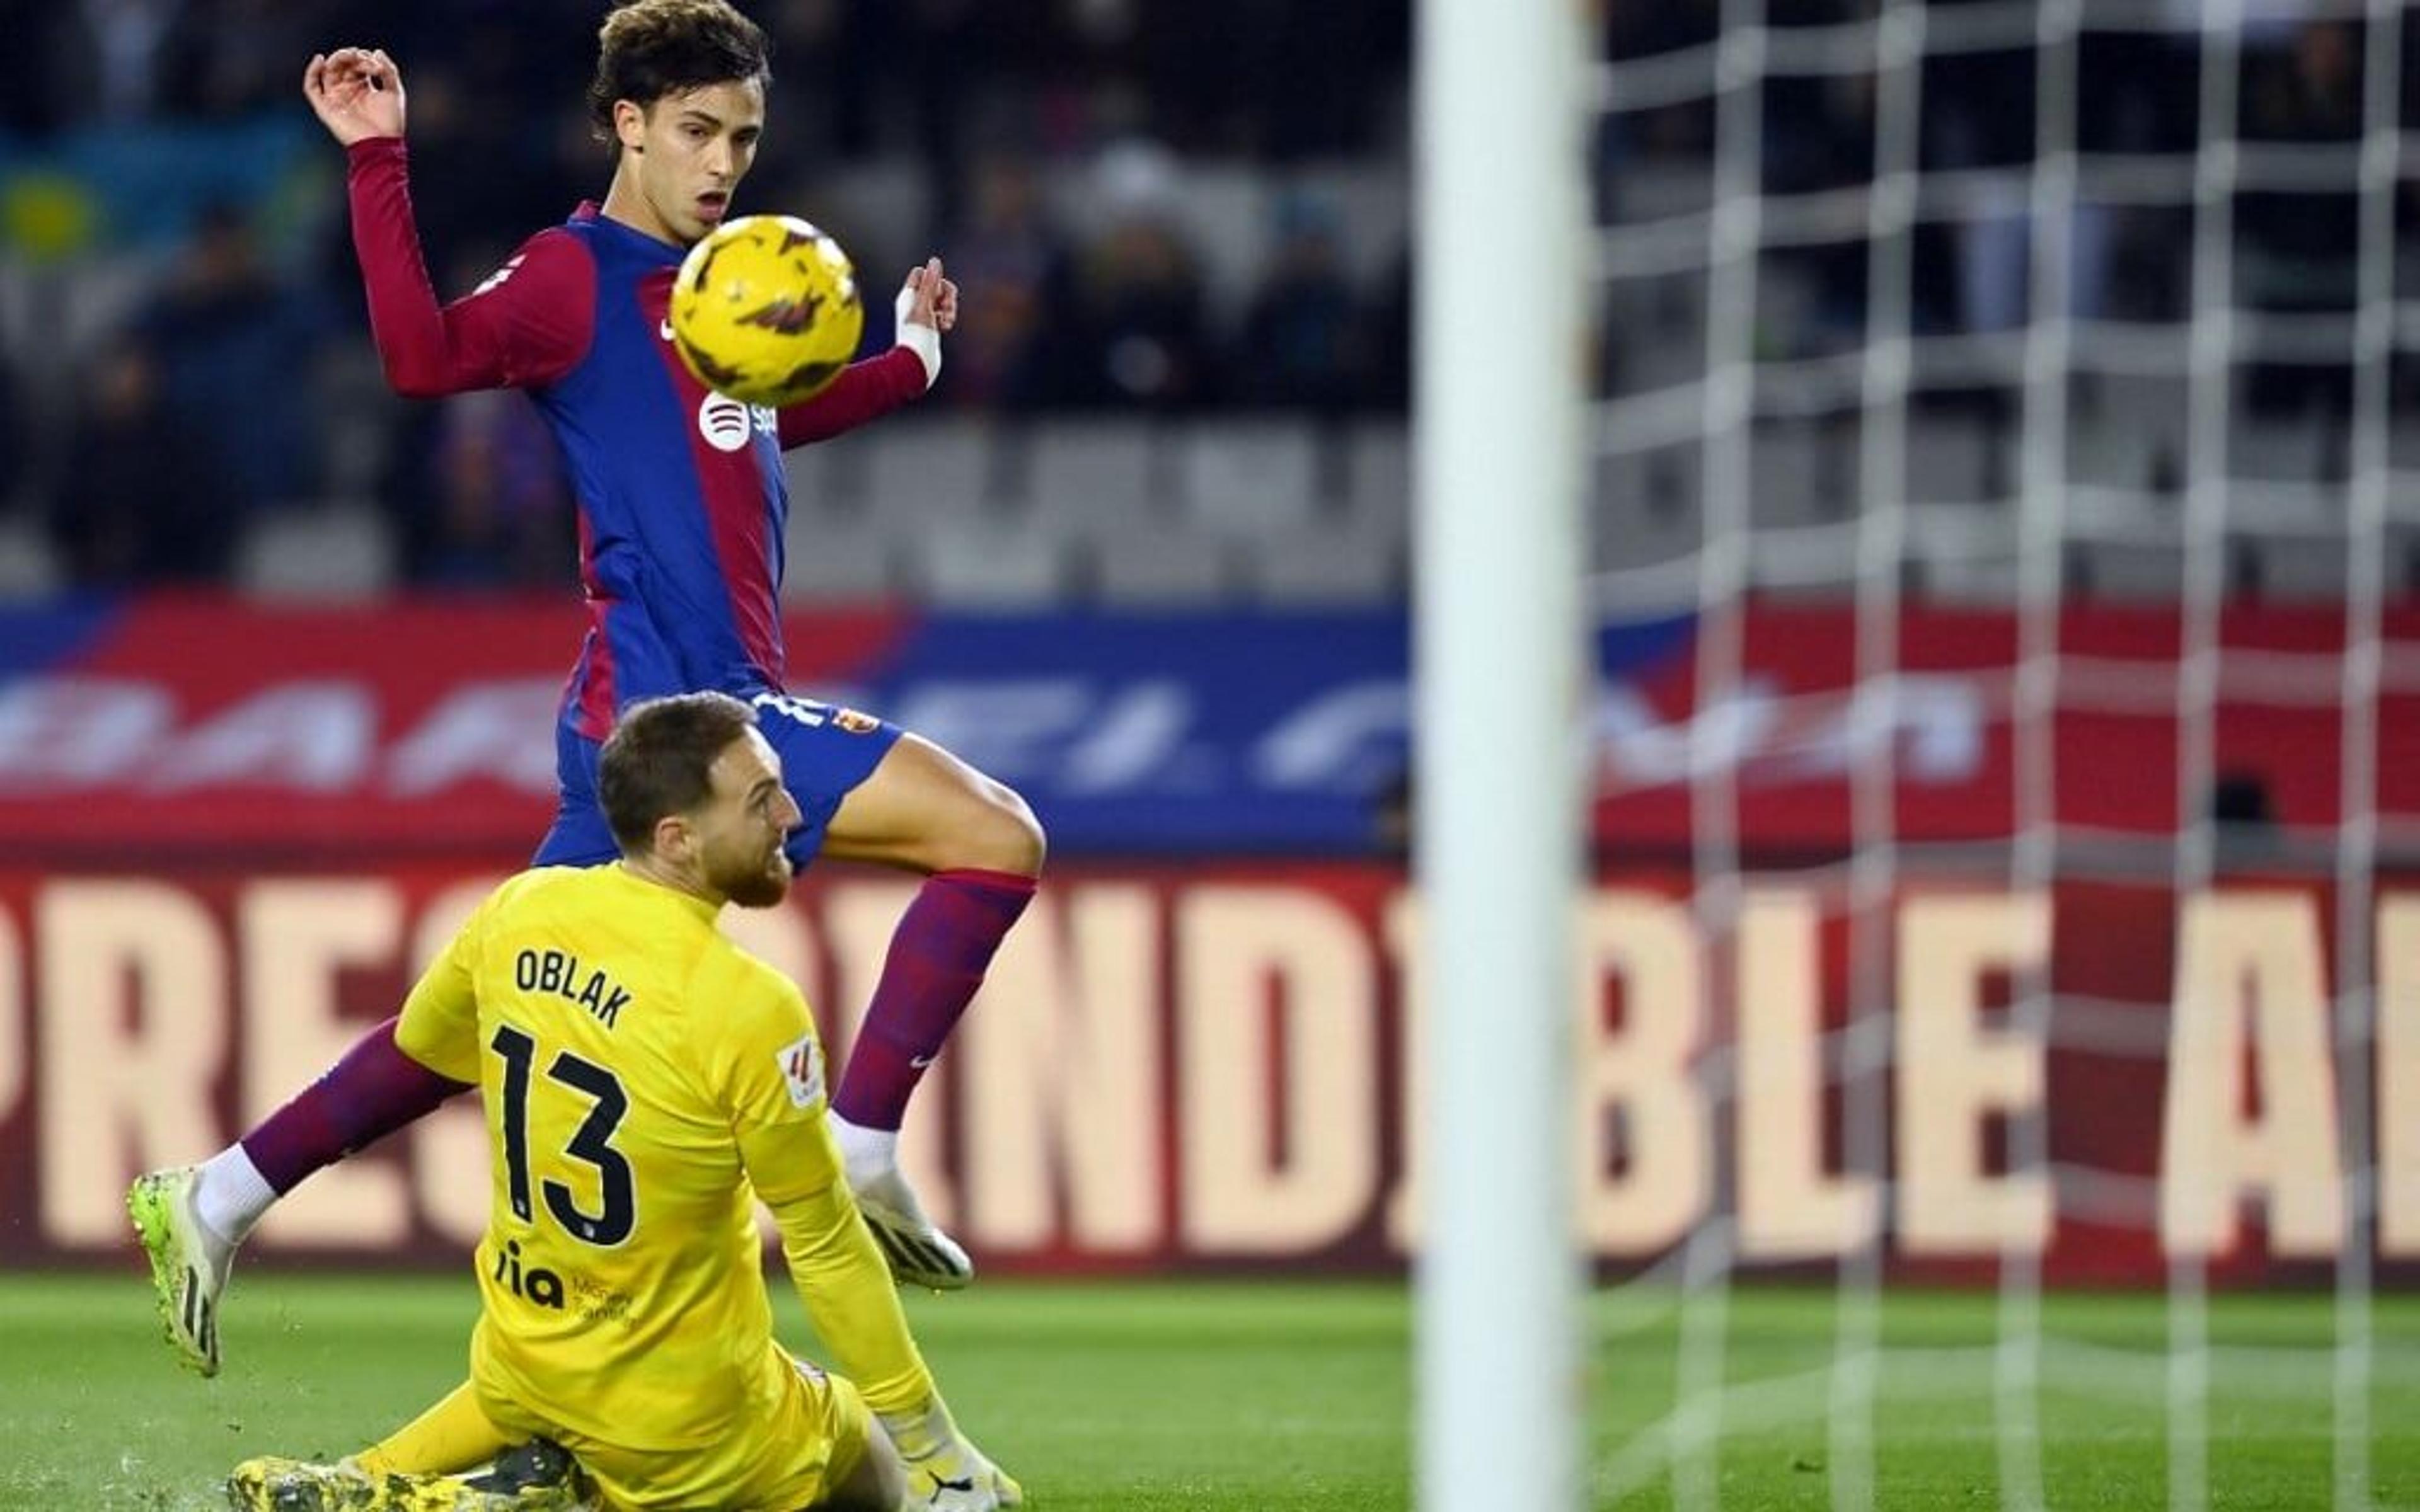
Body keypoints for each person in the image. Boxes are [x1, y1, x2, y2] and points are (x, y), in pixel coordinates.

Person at [132, 0, 1045, 1380]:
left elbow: (773, 415)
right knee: (996, 837)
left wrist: (910, 360)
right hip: (678, 717)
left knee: (484, 1007)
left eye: (742, 134)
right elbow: (418, 360)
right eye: (695, 130)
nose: (724, 159)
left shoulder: (729, 289)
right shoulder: (574, 277)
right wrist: (378, 158)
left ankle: (219, 1196)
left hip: (644, 726)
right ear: (627, 123)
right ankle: (857, 1146)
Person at [222, 692, 1020, 1511]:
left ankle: (371, 1479)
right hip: (692, 1423)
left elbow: (415, 1058)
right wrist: (936, 1449)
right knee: (877, 1462)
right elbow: (824, 1248)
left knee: (554, 1390)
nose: (792, 814)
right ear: (677, 839)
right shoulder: (748, 1006)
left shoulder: (515, 914)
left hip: (527, 1363)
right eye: (760, 801)